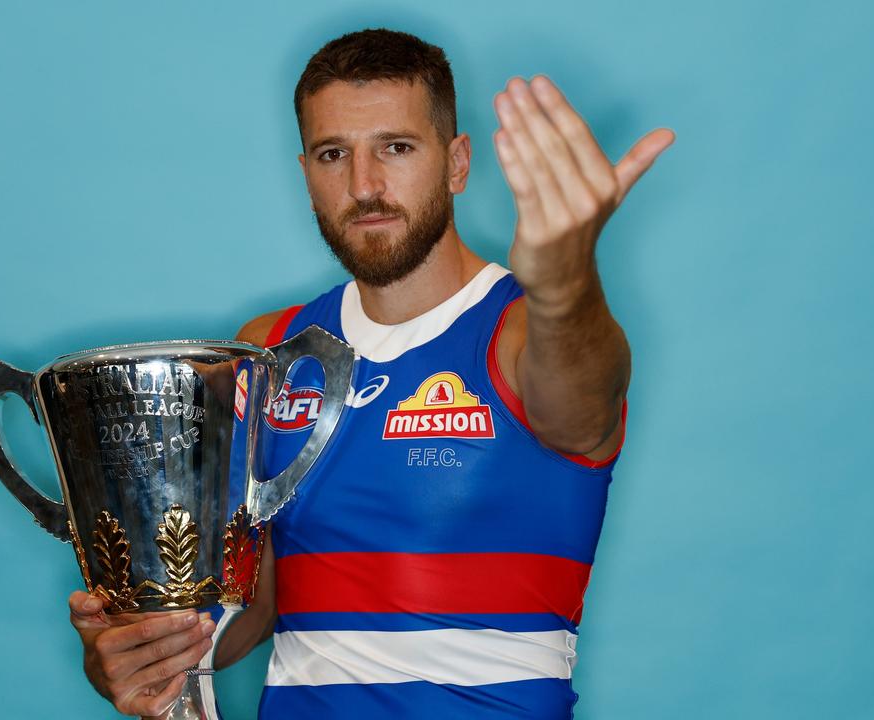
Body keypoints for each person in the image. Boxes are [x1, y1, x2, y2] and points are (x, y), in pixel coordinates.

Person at [67, 28, 673, 719]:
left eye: (397, 147)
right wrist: (139, 651)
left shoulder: (524, 335)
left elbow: (586, 403)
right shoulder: (269, 350)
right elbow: (248, 606)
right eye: (334, 155)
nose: (365, 186)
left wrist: (563, 282)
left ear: (457, 163)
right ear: (307, 174)